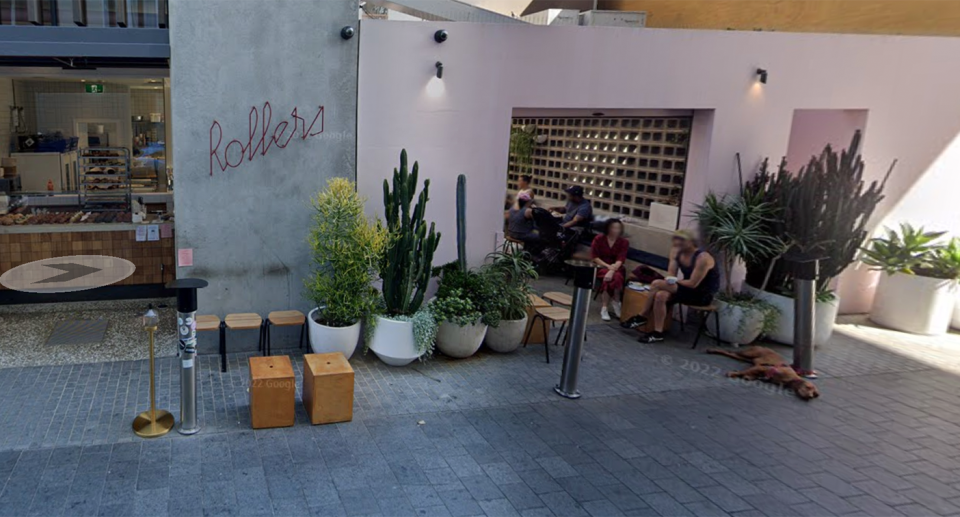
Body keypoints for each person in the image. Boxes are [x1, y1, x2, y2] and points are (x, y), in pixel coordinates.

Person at [630, 229, 720, 343]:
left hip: (702, 294)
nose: (678, 245)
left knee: (656, 283)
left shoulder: (703, 258)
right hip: (685, 288)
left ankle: (642, 315)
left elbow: (693, 284)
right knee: (661, 295)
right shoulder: (676, 251)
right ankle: (658, 332)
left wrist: (673, 281)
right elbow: (671, 273)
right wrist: (670, 281)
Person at [591, 218, 629, 321]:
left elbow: (621, 258)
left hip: (617, 267)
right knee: (612, 278)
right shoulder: (599, 239)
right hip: (601, 266)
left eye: (618, 228)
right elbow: (595, 257)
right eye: (613, 228)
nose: (616, 230)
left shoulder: (624, 242)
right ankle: (615, 303)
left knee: (613, 278)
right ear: (608, 228)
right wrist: (608, 267)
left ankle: (606, 306)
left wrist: (612, 270)